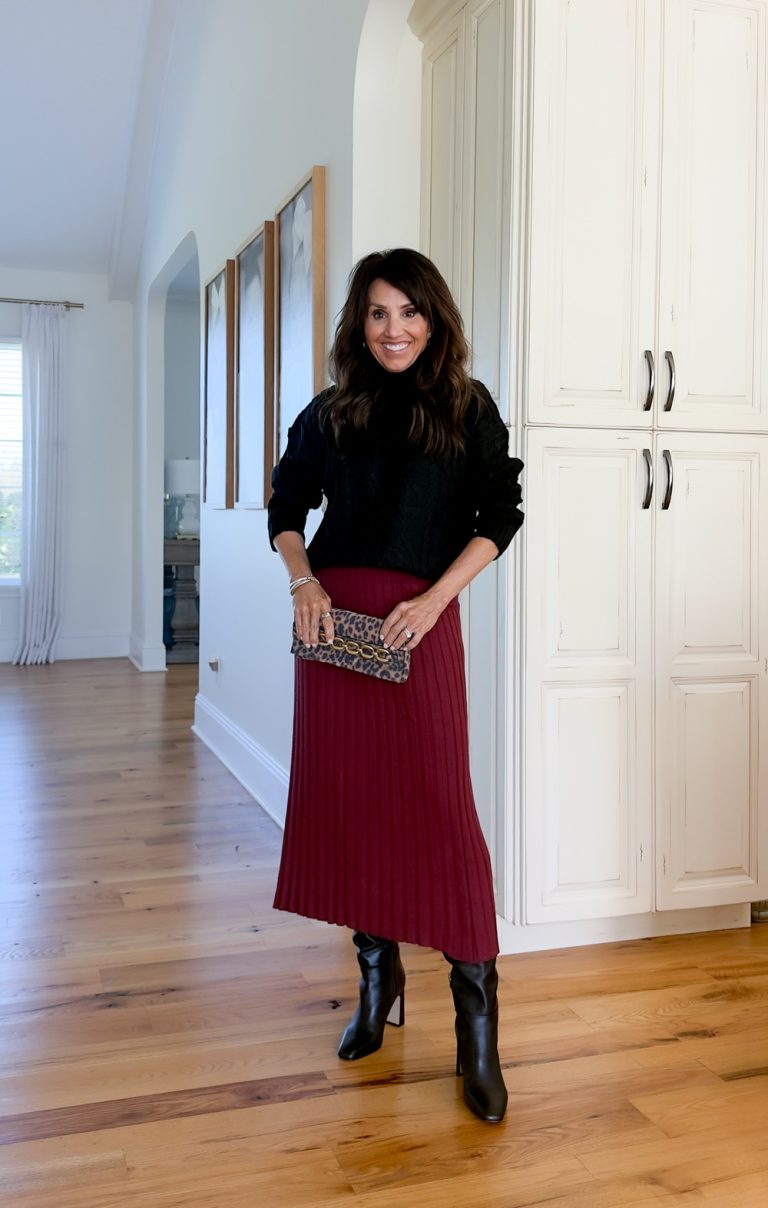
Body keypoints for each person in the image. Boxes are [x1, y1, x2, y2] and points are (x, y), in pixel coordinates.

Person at [268, 248, 524, 1124]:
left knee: (439, 811)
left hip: (419, 626)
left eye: (410, 312)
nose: (395, 329)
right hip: (335, 632)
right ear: (359, 323)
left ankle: (476, 1027)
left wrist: (436, 598)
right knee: (352, 806)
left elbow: (501, 515)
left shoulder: (465, 406)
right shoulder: (333, 411)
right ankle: (377, 983)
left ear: (435, 318)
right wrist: (303, 582)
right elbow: (287, 505)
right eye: (378, 313)